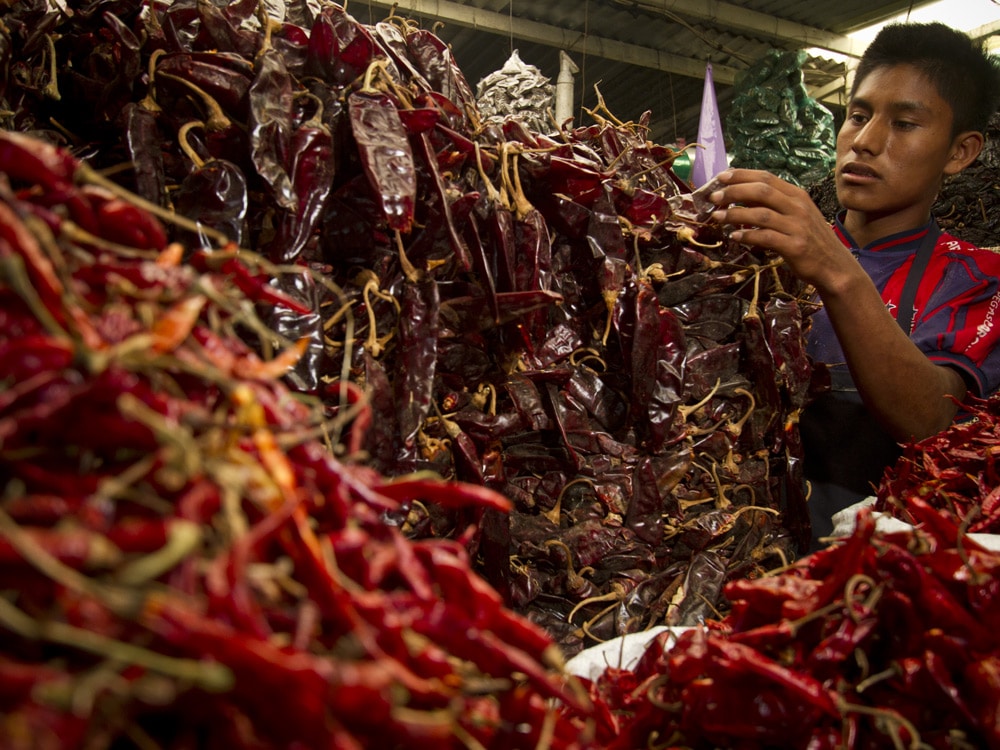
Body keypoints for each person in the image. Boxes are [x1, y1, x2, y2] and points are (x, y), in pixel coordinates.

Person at [706, 22, 1000, 549]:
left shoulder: (974, 277)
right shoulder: (765, 249)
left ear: (961, 152)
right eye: (858, 116)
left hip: (855, 579)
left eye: (905, 123)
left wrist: (836, 269)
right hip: (725, 554)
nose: (863, 142)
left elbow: (936, 422)